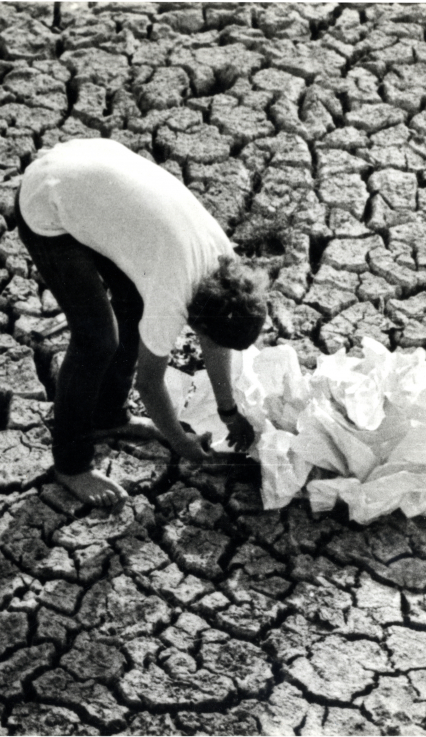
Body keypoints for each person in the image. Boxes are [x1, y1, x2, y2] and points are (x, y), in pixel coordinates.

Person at [15, 138, 267, 507]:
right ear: (197, 321)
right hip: (49, 199)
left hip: (90, 169)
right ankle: (71, 465)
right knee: (96, 340)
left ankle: (108, 416)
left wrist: (228, 412)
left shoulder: (224, 266)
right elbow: (150, 384)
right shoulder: (173, 293)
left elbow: (216, 343)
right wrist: (179, 440)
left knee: (133, 306)